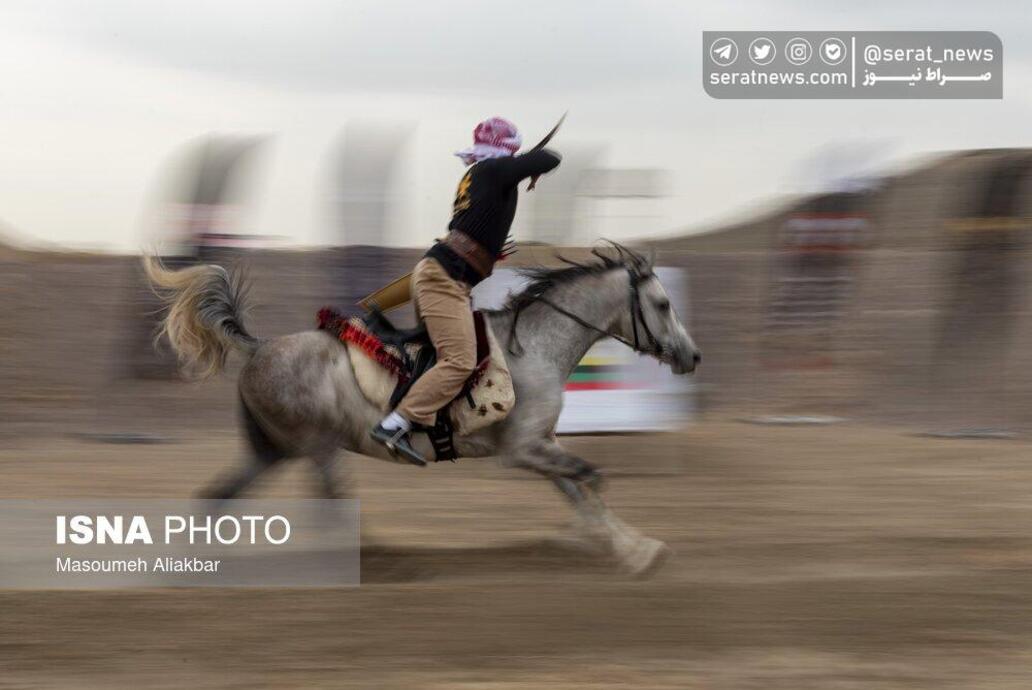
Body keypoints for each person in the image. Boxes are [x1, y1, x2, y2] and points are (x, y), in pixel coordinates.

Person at [370, 117, 561, 464]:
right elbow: (549, 158)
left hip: (441, 275)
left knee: (444, 356)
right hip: (445, 279)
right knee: (460, 361)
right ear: (505, 149)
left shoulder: (484, 175)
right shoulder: (494, 170)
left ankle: (427, 422)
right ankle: (395, 423)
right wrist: (528, 166)